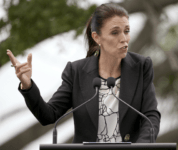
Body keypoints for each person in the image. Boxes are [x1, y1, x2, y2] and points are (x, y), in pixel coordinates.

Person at [7, 3, 161, 143]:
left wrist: (141, 147)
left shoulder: (141, 66)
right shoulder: (76, 72)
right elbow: (49, 115)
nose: (124, 39)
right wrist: (27, 85)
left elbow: (151, 116)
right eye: (115, 33)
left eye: (126, 31)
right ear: (97, 37)